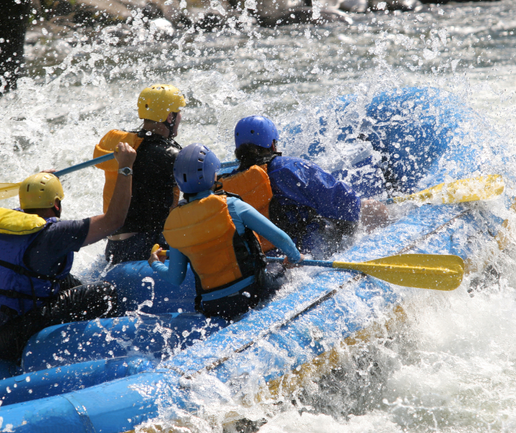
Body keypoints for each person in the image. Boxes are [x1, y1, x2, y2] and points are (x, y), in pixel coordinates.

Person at [0, 143, 136, 363]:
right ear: (56, 204)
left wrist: (39, 183)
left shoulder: (6, 221)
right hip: (14, 337)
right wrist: (126, 168)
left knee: (68, 281)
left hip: (5, 324)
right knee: (103, 293)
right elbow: (114, 221)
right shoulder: (54, 235)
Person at [148, 144, 303, 320]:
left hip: (213, 306)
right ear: (209, 175)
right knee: (291, 273)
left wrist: (155, 263)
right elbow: (279, 237)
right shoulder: (231, 206)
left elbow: (175, 277)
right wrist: (295, 258)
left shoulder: (174, 223)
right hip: (251, 293)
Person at [219, 115, 389, 257]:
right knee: (370, 208)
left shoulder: (225, 185)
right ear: (272, 144)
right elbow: (344, 202)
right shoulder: (288, 168)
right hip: (301, 255)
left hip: (261, 262)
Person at [93, 83, 186, 264]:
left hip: (113, 248)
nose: (181, 116)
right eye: (178, 112)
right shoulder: (169, 155)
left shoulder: (125, 143)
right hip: (145, 246)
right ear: (169, 117)